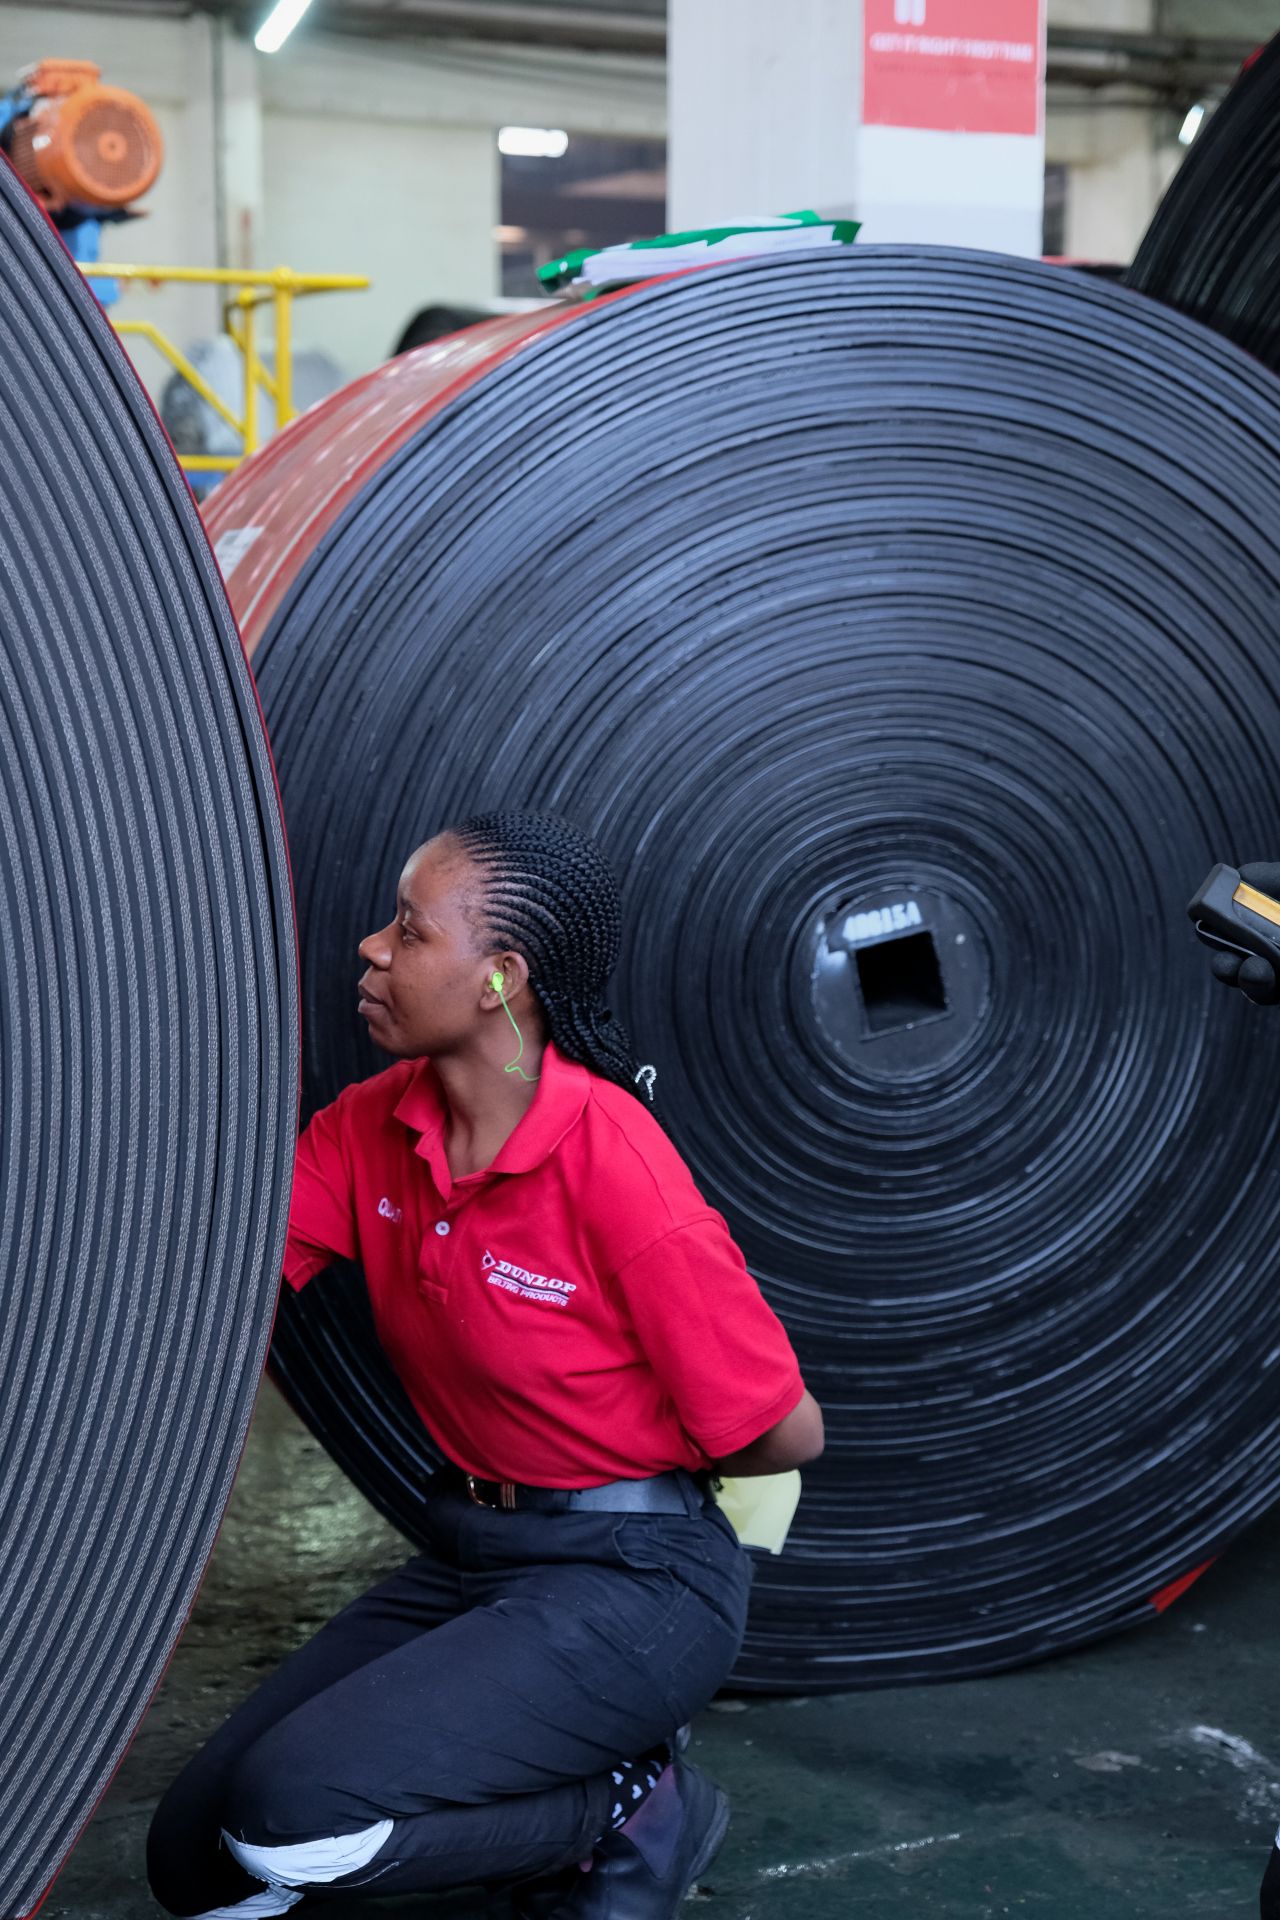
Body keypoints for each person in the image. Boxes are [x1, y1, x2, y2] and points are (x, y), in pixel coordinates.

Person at [147, 810, 823, 1920]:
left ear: (501, 978)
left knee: (292, 1819)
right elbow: (219, 1288)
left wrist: (639, 1441)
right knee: (196, 1863)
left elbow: (785, 1435)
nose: (369, 948)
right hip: (471, 1558)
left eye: (408, 932)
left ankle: (629, 1806)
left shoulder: (615, 1169)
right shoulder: (372, 1126)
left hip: (636, 1575)